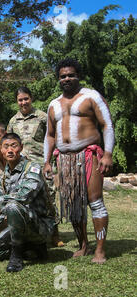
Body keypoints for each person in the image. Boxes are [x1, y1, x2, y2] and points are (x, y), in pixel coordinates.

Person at [43, 58, 114, 264]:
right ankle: (84, 245)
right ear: (58, 79)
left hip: (89, 154)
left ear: (78, 76)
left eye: (71, 75)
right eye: (63, 76)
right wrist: (47, 161)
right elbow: (49, 135)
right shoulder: (53, 104)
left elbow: (106, 125)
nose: (67, 79)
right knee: (74, 204)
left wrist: (107, 154)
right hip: (64, 159)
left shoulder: (91, 96)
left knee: (95, 201)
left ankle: (100, 250)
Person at [0, 133, 56, 272]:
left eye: (13, 146)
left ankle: (17, 254)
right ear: (1, 150)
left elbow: (24, 196)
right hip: (17, 228)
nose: (9, 150)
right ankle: (30, 248)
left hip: (40, 226)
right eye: (6, 146)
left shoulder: (32, 168)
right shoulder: (3, 177)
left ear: (21, 147)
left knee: (13, 206)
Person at [7, 86, 64, 248]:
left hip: (42, 164)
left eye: (26, 98)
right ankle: (32, 234)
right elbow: (8, 143)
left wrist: (54, 160)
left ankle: (55, 234)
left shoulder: (42, 117)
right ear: (17, 102)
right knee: (26, 199)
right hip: (22, 167)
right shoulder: (13, 121)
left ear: (31, 98)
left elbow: (54, 138)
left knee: (49, 198)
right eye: (20, 100)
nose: (23, 102)